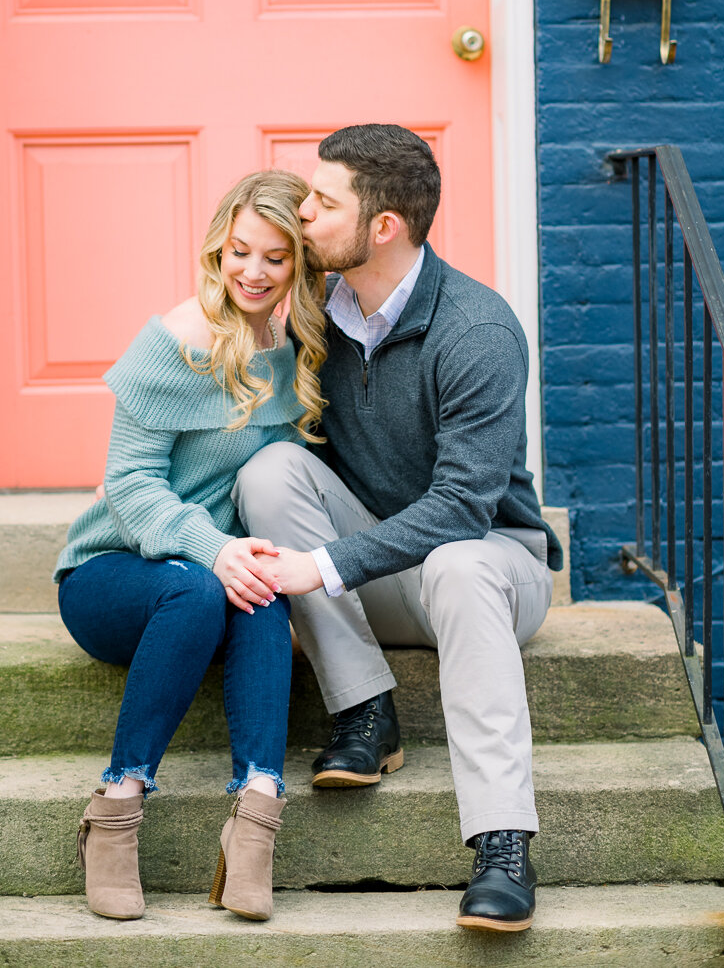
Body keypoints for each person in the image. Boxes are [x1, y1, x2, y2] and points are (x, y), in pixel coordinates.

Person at [232, 124, 563, 933]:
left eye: (322, 200)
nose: (302, 214)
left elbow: (461, 509)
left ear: (383, 226)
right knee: (265, 474)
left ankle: (501, 843)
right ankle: (366, 711)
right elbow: (222, 379)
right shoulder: (314, 309)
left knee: (455, 560)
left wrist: (325, 564)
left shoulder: (475, 330)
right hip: (378, 574)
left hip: (491, 574)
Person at [53, 170, 327, 923]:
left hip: (216, 581)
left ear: (300, 265)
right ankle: (115, 809)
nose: (252, 271)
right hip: (115, 575)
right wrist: (213, 548)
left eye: (275, 258)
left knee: (258, 584)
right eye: (239, 251)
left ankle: (256, 818)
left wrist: (240, 555)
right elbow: (131, 486)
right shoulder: (178, 339)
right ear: (218, 247)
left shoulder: (304, 343)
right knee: (207, 582)